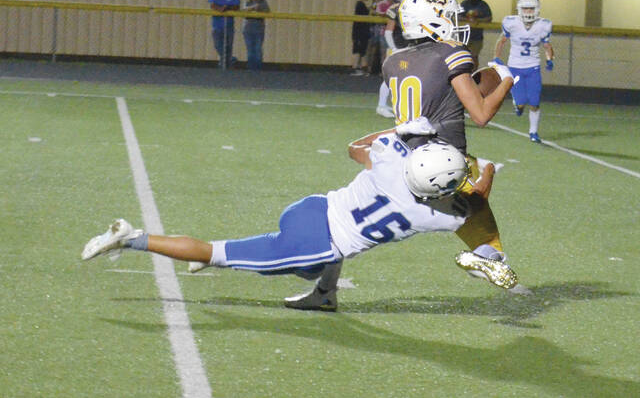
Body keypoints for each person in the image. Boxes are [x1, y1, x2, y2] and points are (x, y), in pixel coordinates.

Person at [81, 124, 517, 312]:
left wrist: (404, 133)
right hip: (314, 243)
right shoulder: (436, 216)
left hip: (311, 208)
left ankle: (323, 296)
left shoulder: (390, 159)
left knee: (326, 254)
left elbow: (358, 147)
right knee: (216, 253)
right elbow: (476, 199)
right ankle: (132, 237)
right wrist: (489, 170)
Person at [380, 0, 518, 283]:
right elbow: (481, 115)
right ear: (431, 19)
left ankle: (487, 251)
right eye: (449, 16)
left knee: (480, 170)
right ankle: (486, 253)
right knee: (481, 177)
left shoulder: (392, 61)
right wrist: (506, 81)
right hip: (442, 159)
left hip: (403, 158)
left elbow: (434, 92)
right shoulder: (451, 53)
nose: (456, 24)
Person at [494, 0, 555, 143]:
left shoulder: (543, 25)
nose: (528, 12)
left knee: (534, 102)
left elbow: (547, 45)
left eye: (531, 9)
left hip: (533, 67)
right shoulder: (511, 23)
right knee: (521, 102)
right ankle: (518, 105)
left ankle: (533, 132)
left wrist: (549, 59)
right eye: (525, 8)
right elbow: (501, 41)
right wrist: (496, 57)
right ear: (520, 9)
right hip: (515, 67)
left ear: (537, 9)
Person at [374, 0, 418, 118]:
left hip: (411, 47)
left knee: (409, 76)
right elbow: (388, 31)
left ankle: (402, 106)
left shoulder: (419, 10)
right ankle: (381, 106)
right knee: (392, 77)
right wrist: (393, 48)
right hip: (398, 46)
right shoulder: (396, 9)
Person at [208, 0, 240, 69]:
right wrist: (221, 9)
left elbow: (236, 6)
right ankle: (230, 59)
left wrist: (228, 8)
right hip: (217, 25)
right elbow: (212, 5)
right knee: (218, 44)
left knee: (228, 46)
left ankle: (226, 65)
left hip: (229, 25)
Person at [460, 0, 493, 68]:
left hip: (477, 37)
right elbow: (457, 16)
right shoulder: (464, 4)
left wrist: (478, 20)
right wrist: (467, 19)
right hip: (464, 36)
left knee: (474, 57)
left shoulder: (483, 5)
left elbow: (489, 18)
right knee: (463, 57)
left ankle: (474, 73)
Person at [242, 0, 270, 71]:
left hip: (259, 29)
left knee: (258, 49)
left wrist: (259, 8)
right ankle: (251, 67)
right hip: (248, 28)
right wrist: (252, 7)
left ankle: (258, 68)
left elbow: (267, 11)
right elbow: (243, 11)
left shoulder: (263, 2)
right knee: (250, 49)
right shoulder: (248, 2)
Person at [350, 0, 371, 75]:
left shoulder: (360, 5)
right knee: (359, 50)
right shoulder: (360, 5)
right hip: (360, 32)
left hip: (360, 32)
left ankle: (359, 68)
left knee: (361, 50)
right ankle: (356, 68)